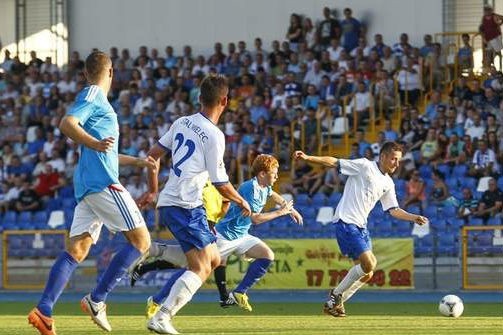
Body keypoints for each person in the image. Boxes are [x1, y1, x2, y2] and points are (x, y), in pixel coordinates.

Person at [27, 51, 156, 335]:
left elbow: (104, 148)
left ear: (86, 72)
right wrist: (94, 144)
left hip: (87, 187)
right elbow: (67, 123)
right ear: (111, 72)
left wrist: (136, 161)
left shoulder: (98, 102)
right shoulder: (93, 94)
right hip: (101, 184)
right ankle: (97, 299)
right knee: (142, 241)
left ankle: (44, 310)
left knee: (78, 249)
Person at [137, 74, 252, 334]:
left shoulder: (181, 122)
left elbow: (153, 156)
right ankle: (162, 316)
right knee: (201, 267)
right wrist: (242, 200)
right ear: (225, 100)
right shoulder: (214, 135)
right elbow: (221, 183)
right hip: (185, 205)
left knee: (212, 259)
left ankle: (154, 250)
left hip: (174, 202)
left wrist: (153, 190)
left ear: (200, 98)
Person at [134, 155, 303, 315]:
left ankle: (239, 292)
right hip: (224, 236)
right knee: (193, 269)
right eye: (274, 174)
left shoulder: (265, 187)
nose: (277, 177)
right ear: (262, 174)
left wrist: (290, 209)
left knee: (267, 255)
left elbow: (273, 195)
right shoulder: (249, 188)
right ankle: (156, 300)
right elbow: (256, 219)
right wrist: (281, 212)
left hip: (241, 236)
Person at [294, 141, 428, 317]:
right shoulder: (365, 165)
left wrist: (413, 217)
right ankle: (335, 295)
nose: (397, 164)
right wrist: (308, 157)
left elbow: (393, 210)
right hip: (346, 222)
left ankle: (333, 303)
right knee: (370, 264)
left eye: (399, 161)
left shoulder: (388, 183)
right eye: (394, 159)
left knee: (367, 274)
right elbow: (334, 162)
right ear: (383, 156)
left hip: (361, 227)